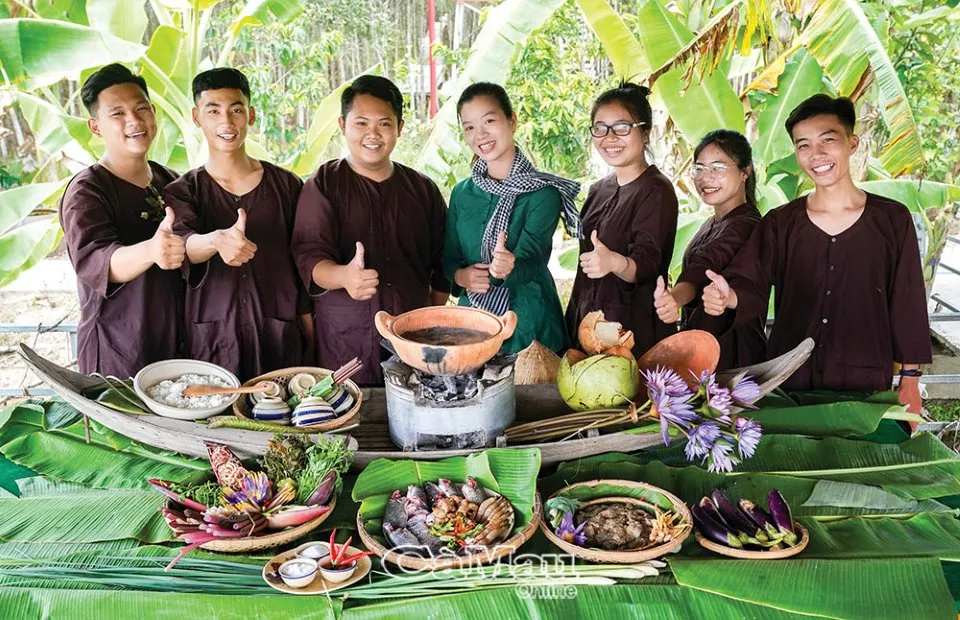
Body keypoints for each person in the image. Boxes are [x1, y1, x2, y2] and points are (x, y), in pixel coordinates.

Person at [702, 95, 931, 411]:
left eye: (828, 140)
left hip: (864, 387)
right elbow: (748, 283)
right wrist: (728, 298)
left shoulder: (892, 220)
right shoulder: (780, 223)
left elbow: (907, 302)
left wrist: (910, 380)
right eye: (803, 145)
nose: (816, 154)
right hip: (789, 385)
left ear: (852, 143)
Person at [291, 75, 449, 385]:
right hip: (344, 336)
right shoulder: (323, 184)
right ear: (342, 124)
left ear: (400, 128)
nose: (372, 134)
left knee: (416, 412)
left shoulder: (422, 190)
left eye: (384, 124)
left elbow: (442, 263)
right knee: (348, 415)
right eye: (361, 123)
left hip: (410, 336)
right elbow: (309, 258)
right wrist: (344, 277)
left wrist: (426, 315)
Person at [163, 68, 311, 380]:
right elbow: (183, 245)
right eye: (213, 111)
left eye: (236, 110)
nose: (226, 123)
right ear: (196, 116)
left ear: (251, 115)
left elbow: (305, 262)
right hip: (212, 342)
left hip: (279, 336)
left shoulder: (287, 186)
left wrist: (312, 334)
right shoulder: (183, 190)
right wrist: (216, 241)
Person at [60, 63, 184, 378]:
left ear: (153, 113)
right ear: (96, 127)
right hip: (118, 351)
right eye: (117, 114)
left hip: (176, 346)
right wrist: (152, 251)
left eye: (141, 108)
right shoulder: (87, 191)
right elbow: (99, 263)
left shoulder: (171, 181)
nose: (134, 120)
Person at [442, 82, 581, 354]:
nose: (479, 134)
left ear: (512, 120)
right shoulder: (462, 193)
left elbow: (531, 260)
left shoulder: (543, 194)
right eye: (469, 127)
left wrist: (506, 269)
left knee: (533, 395)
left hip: (529, 322)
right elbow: (449, 257)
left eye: (489, 121)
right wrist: (461, 276)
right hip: (474, 323)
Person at [565, 83, 679, 357]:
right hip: (587, 326)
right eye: (600, 128)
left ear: (646, 131)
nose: (609, 137)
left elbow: (648, 262)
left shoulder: (656, 190)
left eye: (622, 127)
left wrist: (614, 262)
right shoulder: (598, 190)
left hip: (630, 333)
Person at [653, 130, 765, 370]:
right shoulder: (712, 222)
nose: (706, 178)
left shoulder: (746, 224)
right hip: (706, 349)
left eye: (718, 168)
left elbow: (702, 268)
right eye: (699, 169)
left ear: (745, 172)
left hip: (732, 356)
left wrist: (674, 298)